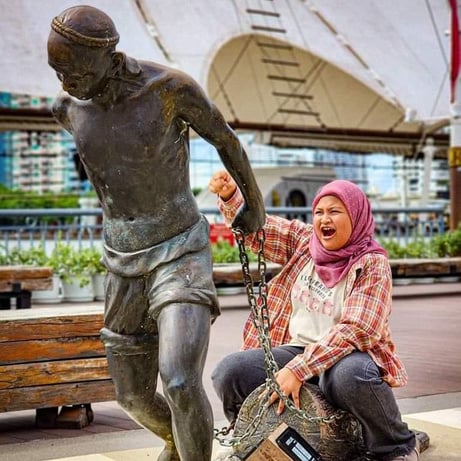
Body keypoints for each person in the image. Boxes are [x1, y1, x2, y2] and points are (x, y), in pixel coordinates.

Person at [47, 6, 265, 461]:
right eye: (57, 71)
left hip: (180, 249)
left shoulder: (168, 90)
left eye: (73, 70)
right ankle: (180, 441)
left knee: (181, 380)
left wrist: (254, 206)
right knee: (131, 397)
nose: (65, 82)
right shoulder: (66, 109)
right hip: (121, 261)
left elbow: (225, 139)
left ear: (108, 56)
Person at [210, 171, 420, 461]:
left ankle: (396, 444)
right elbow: (260, 231)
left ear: (356, 216)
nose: (324, 219)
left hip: (350, 355)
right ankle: (248, 432)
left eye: (335, 211)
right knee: (230, 372)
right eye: (319, 211)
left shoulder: (372, 263)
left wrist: (299, 369)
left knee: (348, 376)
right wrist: (230, 196)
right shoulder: (306, 242)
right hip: (298, 348)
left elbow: (358, 329)